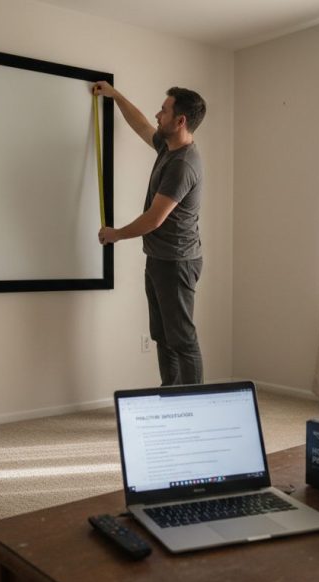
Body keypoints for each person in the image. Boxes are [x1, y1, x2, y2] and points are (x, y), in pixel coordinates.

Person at [92, 80, 206, 386]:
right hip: (159, 258)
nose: (158, 114)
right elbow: (142, 125)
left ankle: (196, 405)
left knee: (182, 338)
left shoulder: (182, 164)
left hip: (177, 262)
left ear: (180, 121)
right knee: (163, 336)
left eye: (164, 110)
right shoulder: (168, 148)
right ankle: (170, 395)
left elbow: (155, 218)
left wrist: (116, 234)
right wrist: (115, 96)